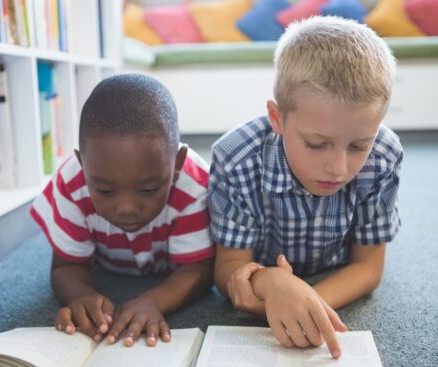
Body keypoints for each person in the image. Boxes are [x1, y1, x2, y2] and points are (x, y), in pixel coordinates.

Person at [209, 16, 402, 359]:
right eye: (316, 144)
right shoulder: (235, 159)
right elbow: (229, 268)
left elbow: (369, 267)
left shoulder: (384, 156)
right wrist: (269, 282)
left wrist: (303, 300)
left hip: (334, 268)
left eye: (359, 145)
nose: (339, 169)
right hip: (265, 269)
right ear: (277, 118)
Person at [30, 74, 214, 347]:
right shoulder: (71, 184)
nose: (126, 208)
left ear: (177, 164)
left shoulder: (194, 186)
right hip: (103, 263)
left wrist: (154, 301)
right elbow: (65, 265)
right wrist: (81, 295)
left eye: (149, 189)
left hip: (170, 267)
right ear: (82, 164)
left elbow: (199, 269)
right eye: (105, 190)